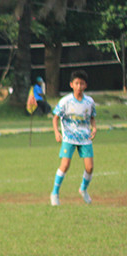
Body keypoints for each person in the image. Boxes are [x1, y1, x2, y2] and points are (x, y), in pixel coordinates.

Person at [49, 70, 96, 206]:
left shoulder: (89, 102)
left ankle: (83, 189)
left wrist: (94, 128)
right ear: (71, 85)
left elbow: (92, 117)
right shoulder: (66, 101)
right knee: (65, 165)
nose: (79, 86)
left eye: (81, 84)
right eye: (76, 83)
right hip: (69, 137)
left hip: (85, 138)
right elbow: (55, 117)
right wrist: (57, 132)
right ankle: (55, 193)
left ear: (85, 85)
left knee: (90, 167)